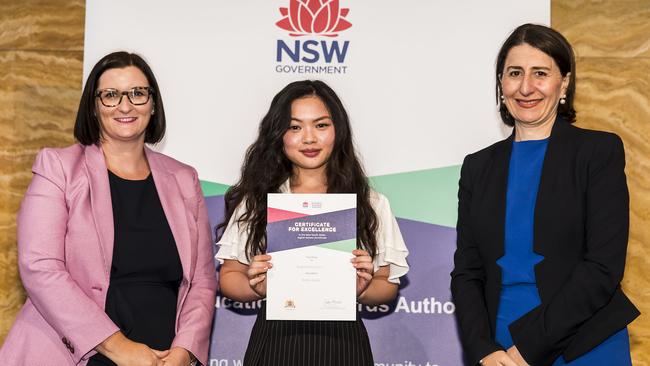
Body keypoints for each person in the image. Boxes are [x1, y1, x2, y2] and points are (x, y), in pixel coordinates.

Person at [0, 52, 217, 366]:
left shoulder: (184, 178)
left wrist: (185, 350)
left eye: (137, 94)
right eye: (111, 95)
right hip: (81, 355)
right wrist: (118, 347)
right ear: (94, 105)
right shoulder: (59, 167)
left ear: (153, 104)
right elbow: (40, 266)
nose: (125, 105)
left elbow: (203, 281)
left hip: (163, 357)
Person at [450, 23, 640, 366]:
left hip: (584, 344)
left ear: (563, 82)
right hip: (500, 350)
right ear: (501, 83)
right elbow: (467, 270)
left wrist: (527, 348)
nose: (526, 87)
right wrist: (484, 349)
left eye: (540, 73)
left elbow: (602, 267)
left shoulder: (597, 152)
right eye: (514, 73)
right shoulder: (478, 167)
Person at [215, 80, 409, 366]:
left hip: (344, 343)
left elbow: (387, 284)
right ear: (278, 134)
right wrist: (256, 287)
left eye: (321, 125)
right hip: (274, 341)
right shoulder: (257, 200)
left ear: (338, 131)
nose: (309, 138)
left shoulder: (370, 203)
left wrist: (362, 288)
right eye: (295, 127)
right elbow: (229, 275)